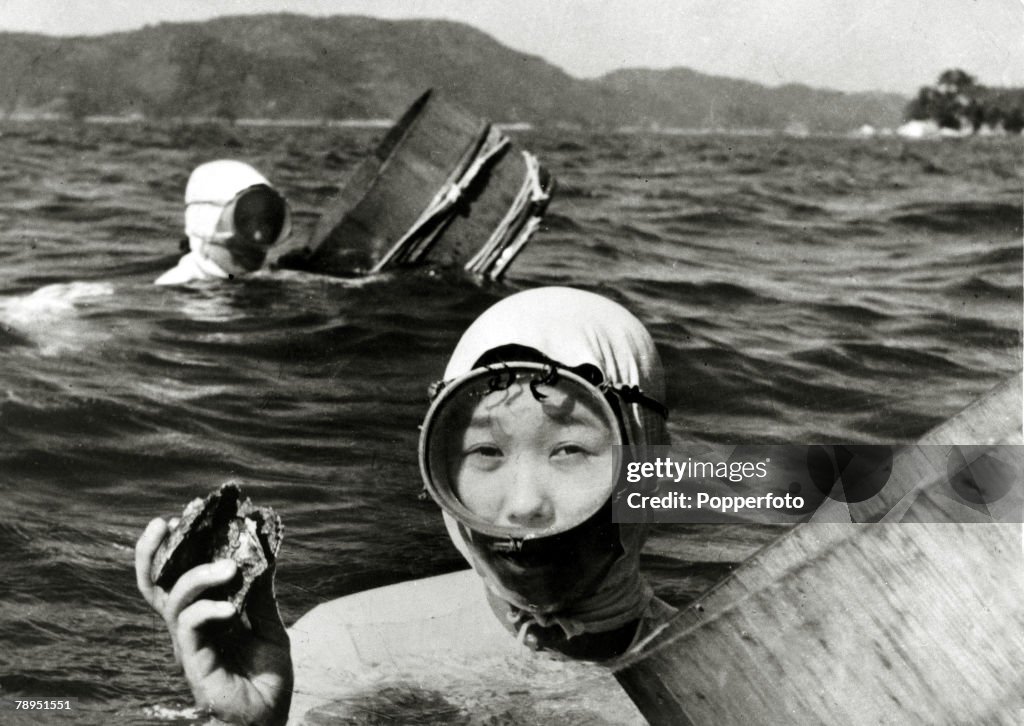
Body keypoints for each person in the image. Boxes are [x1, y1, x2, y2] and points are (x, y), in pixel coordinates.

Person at [135, 286, 674, 724]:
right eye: (486, 451)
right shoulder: (337, 650)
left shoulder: (735, 678)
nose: (525, 506)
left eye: (570, 450)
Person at [155, 160, 292, 285]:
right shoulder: (176, 286)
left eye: (268, 224)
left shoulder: (276, 280)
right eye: (244, 222)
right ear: (205, 225)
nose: (258, 236)